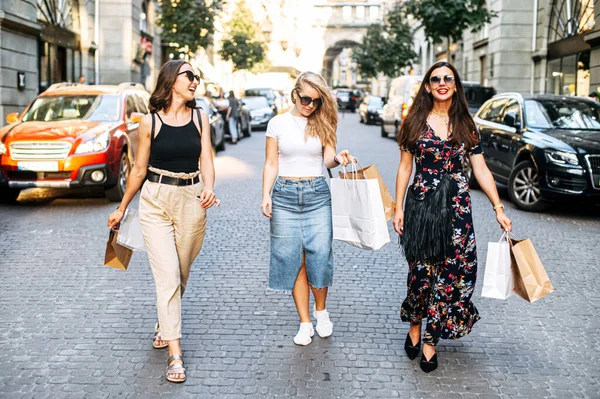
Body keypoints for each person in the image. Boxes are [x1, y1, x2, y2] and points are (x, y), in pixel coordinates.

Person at [393, 61, 512, 373]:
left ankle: (431, 341)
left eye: (448, 78)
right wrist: (398, 207)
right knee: (420, 277)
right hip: (421, 209)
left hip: (457, 212)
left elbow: (481, 169)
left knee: (451, 278)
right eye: (435, 79)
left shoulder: (466, 124)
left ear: (455, 85)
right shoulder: (414, 122)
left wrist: (498, 208)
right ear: (428, 86)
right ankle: (415, 324)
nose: (442, 83)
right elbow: (405, 166)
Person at [107, 60, 219, 383]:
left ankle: (164, 322)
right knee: (168, 274)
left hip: (192, 198)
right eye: (190, 76)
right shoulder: (149, 123)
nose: (195, 81)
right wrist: (122, 207)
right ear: (172, 81)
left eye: (197, 77)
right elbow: (139, 170)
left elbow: (206, 159)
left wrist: (209, 188)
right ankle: (175, 353)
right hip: (155, 200)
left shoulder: (201, 118)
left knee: (181, 272)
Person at [260, 71, 356, 346]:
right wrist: (265, 194)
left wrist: (339, 157)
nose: (310, 105)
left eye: (316, 101)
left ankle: (321, 311)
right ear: (294, 94)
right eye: (306, 99)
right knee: (293, 260)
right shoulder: (277, 124)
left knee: (320, 256)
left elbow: (327, 159)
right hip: (285, 196)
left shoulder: (323, 122)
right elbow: (271, 163)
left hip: (317, 194)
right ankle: (304, 322)